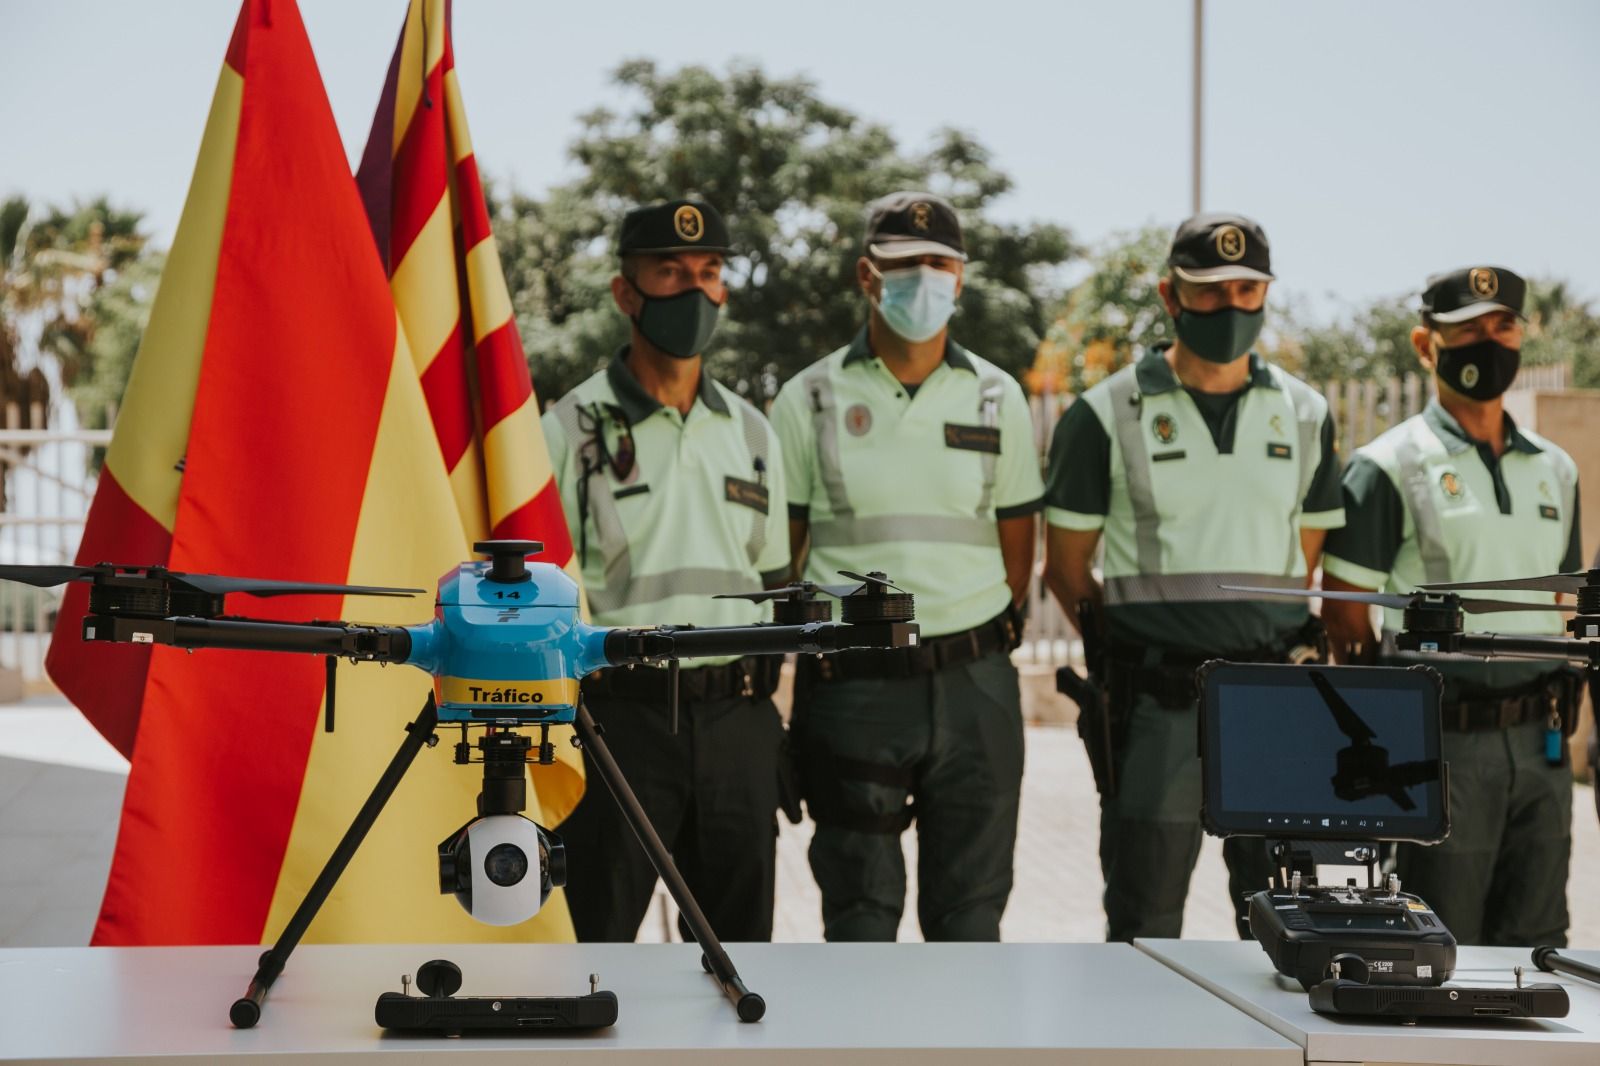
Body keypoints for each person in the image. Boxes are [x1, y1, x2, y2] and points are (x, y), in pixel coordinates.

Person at [1042, 213, 1344, 941]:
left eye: (1247, 289)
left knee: (1286, 926)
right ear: (1170, 295)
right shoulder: (1104, 413)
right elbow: (1067, 570)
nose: (1231, 307)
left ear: (1267, 293)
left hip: (1271, 703)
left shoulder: (1305, 414)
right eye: (1208, 291)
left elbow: (1303, 562)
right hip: (1154, 705)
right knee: (1144, 924)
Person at [770, 191, 1043, 941]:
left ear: (960, 277)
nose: (923, 278)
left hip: (975, 685)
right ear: (867, 275)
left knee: (972, 915)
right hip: (855, 688)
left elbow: (1017, 544)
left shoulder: (998, 397)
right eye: (902, 264)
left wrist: (967, 622)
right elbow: (786, 556)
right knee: (859, 915)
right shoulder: (809, 399)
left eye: (940, 263)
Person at [543, 199, 791, 942]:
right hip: (619, 721)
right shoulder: (570, 428)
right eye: (671, 272)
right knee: (598, 947)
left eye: (709, 273)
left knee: (738, 958)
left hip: (736, 722)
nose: (694, 290)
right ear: (626, 292)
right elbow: (544, 594)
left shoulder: (752, 430)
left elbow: (774, 585)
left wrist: (763, 727)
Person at [1320, 265, 1582, 947]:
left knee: (1539, 944)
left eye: (1502, 326)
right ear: (1424, 343)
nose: (1486, 342)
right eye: (1466, 329)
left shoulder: (1556, 468)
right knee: (1440, 946)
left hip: (1543, 744)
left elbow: (1561, 602)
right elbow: (1346, 618)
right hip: (1441, 747)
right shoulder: (1383, 466)